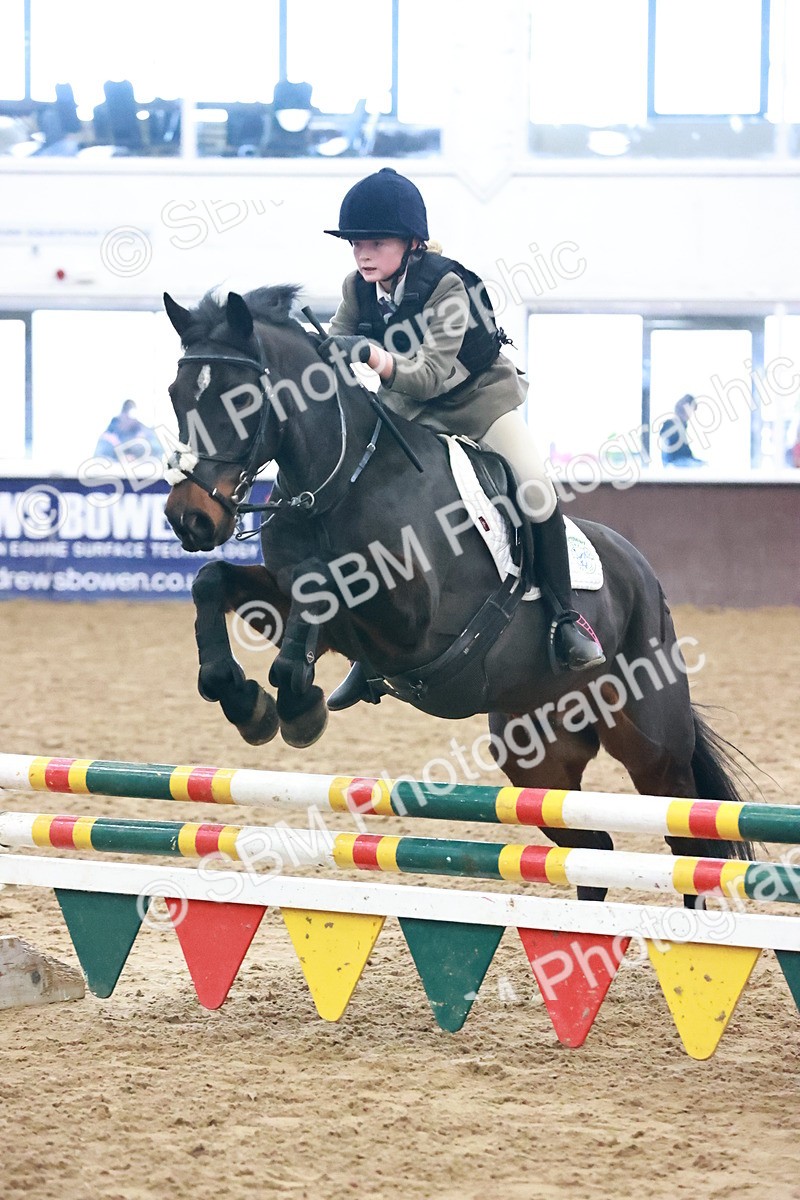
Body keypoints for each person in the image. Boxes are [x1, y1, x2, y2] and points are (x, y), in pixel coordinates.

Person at [318, 167, 605, 711]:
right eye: (356, 242)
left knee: (535, 488)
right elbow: (335, 342)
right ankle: (368, 656)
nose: (362, 253)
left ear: (411, 243)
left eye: (375, 242)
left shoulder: (449, 286)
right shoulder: (357, 288)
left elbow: (429, 375)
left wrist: (372, 356)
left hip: (477, 402)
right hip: (410, 408)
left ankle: (567, 618)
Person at [95, 399, 162, 463]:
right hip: (115, 461)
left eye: (132, 418)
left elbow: (157, 449)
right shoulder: (113, 426)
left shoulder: (139, 427)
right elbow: (105, 438)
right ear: (122, 414)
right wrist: (121, 455)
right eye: (127, 416)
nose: (129, 420)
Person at [659, 394, 706, 467]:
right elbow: (677, 453)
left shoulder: (679, 425)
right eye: (691, 410)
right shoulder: (672, 426)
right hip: (675, 464)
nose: (691, 414)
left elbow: (685, 451)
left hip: (678, 462)